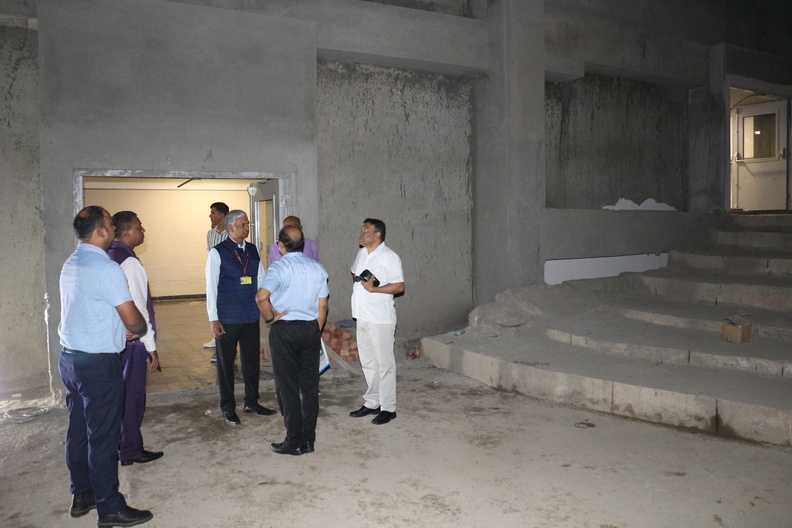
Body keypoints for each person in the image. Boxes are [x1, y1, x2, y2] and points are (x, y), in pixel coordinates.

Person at [58, 205, 153, 527]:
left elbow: (89, 308)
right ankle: (110, 507)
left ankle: (82, 493)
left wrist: (115, 326)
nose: (113, 229)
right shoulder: (106, 267)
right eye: (110, 224)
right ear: (100, 231)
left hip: (70, 359)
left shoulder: (72, 262)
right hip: (98, 365)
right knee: (103, 436)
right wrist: (138, 329)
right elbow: (132, 318)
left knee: (78, 430)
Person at [257, 226, 329, 456]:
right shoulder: (317, 268)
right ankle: (308, 441)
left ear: (281, 245)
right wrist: (314, 329)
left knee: (288, 388)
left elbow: (261, 297)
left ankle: (293, 441)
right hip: (310, 329)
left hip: (285, 330)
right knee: (309, 388)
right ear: (302, 245)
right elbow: (323, 305)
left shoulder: (279, 267)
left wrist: (270, 318)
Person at [206, 209, 276, 426]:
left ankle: (251, 402)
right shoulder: (217, 253)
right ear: (230, 227)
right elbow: (211, 287)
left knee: (251, 362)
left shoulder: (252, 250)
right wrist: (213, 318)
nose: (247, 228)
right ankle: (228, 408)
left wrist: (269, 306)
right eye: (243, 225)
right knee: (226, 365)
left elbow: (261, 279)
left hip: (249, 316)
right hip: (227, 318)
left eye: (248, 224)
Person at [107, 211, 163, 467]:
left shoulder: (108, 255)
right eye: (139, 227)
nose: (143, 231)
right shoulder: (130, 262)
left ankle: (118, 444)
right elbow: (140, 309)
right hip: (132, 343)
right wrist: (150, 345)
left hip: (113, 340)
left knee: (117, 396)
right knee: (133, 397)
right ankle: (129, 450)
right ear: (127, 231)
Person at [348, 218, 405, 425]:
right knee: (368, 363)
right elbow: (354, 272)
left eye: (366, 230)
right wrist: (361, 281)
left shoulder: (389, 257)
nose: (361, 233)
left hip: (380, 319)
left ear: (377, 234)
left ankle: (388, 408)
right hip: (362, 316)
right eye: (361, 229)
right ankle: (373, 402)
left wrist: (374, 289)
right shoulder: (362, 253)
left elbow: (399, 286)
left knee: (384, 364)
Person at [205, 202, 230, 355]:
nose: (210, 215)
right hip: (215, 277)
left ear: (221, 215)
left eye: (213, 212)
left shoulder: (231, 232)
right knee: (214, 307)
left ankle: (225, 346)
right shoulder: (210, 234)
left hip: (228, 278)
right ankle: (217, 340)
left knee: (226, 312)